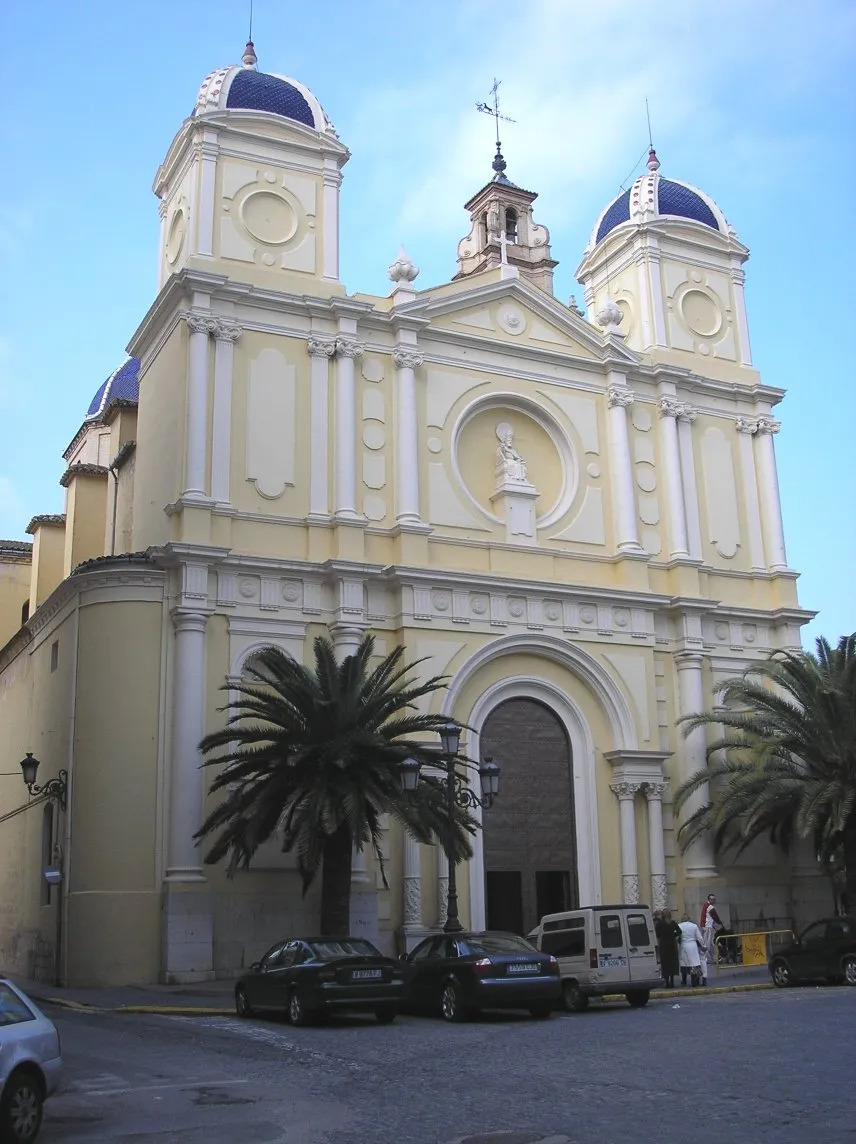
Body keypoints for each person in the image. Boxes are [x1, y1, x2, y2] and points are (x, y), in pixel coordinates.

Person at [655, 909, 682, 988]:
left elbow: (657, 934)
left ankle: (666, 982)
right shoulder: (672, 923)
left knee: (665, 963)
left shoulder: (659, 923)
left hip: (663, 944)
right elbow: (679, 931)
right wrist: (674, 935)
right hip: (672, 944)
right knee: (672, 962)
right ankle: (672, 981)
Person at [678, 916, 706, 986]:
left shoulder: (679, 926)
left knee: (684, 964)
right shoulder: (694, 926)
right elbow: (699, 937)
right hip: (693, 945)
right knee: (694, 964)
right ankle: (694, 981)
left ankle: (684, 981)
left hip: (683, 945)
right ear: (689, 919)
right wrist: (703, 945)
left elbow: (677, 937)